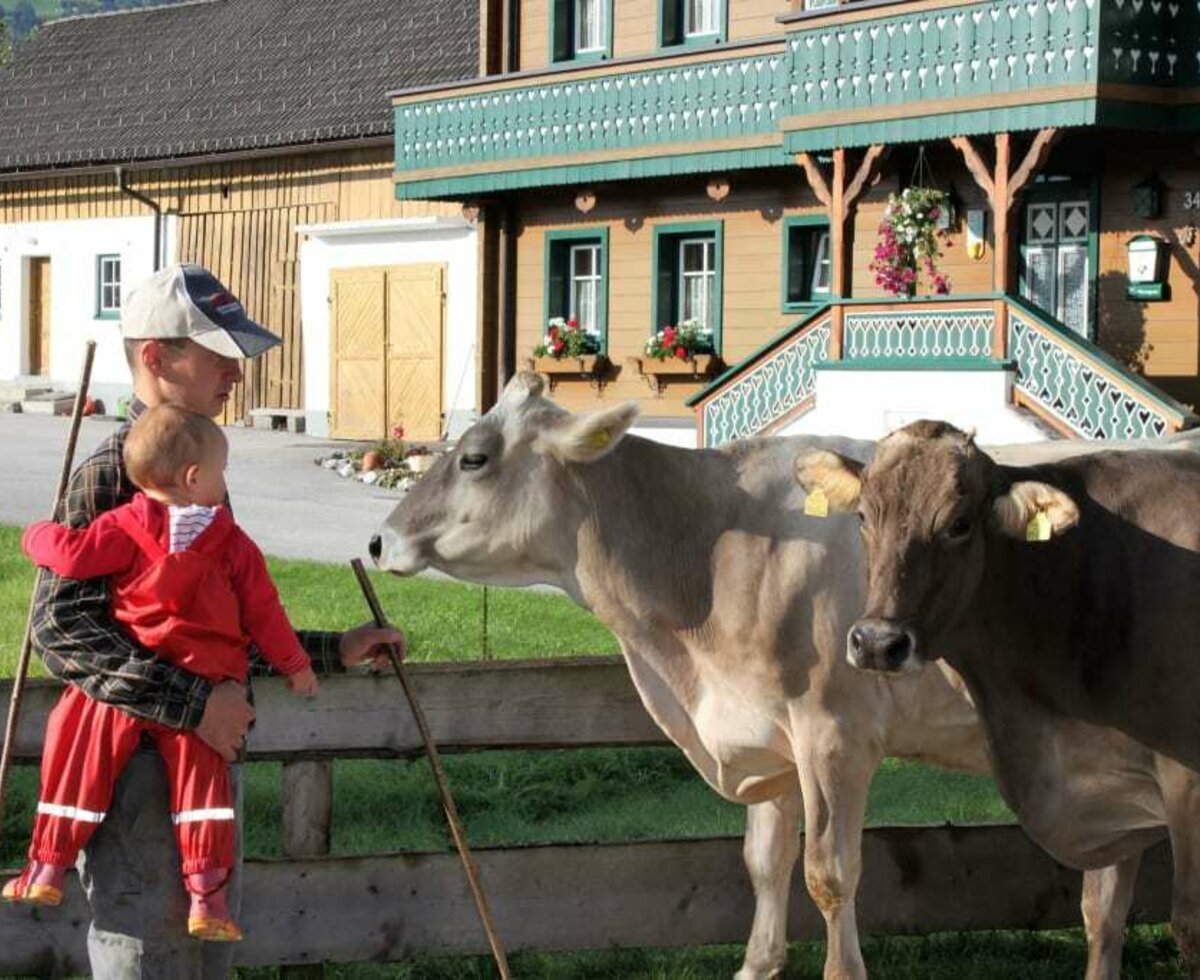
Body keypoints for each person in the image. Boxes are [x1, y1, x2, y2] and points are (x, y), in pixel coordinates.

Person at [28, 263, 404, 978]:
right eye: (217, 354)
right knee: (148, 953)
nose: (236, 374)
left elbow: (209, 630)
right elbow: (61, 630)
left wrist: (331, 652)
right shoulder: (121, 470)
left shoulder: (193, 469)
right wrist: (197, 703)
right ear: (155, 357)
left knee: (200, 957)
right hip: (137, 770)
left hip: (196, 763)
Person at [10, 404, 321, 942]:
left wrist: (36, 535)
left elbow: (73, 556)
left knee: (77, 750)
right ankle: (207, 898)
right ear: (195, 478)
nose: (226, 483)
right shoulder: (232, 544)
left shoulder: (123, 527)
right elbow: (265, 615)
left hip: (136, 685)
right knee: (204, 794)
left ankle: (47, 864)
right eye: (224, 472)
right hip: (205, 688)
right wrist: (296, 666)